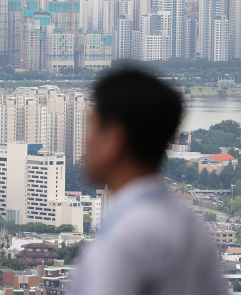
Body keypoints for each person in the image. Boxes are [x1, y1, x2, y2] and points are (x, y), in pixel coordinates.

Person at [69, 69, 226, 295]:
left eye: (90, 129)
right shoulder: (191, 227)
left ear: (113, 139)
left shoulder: (122, 239)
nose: (85, 141)